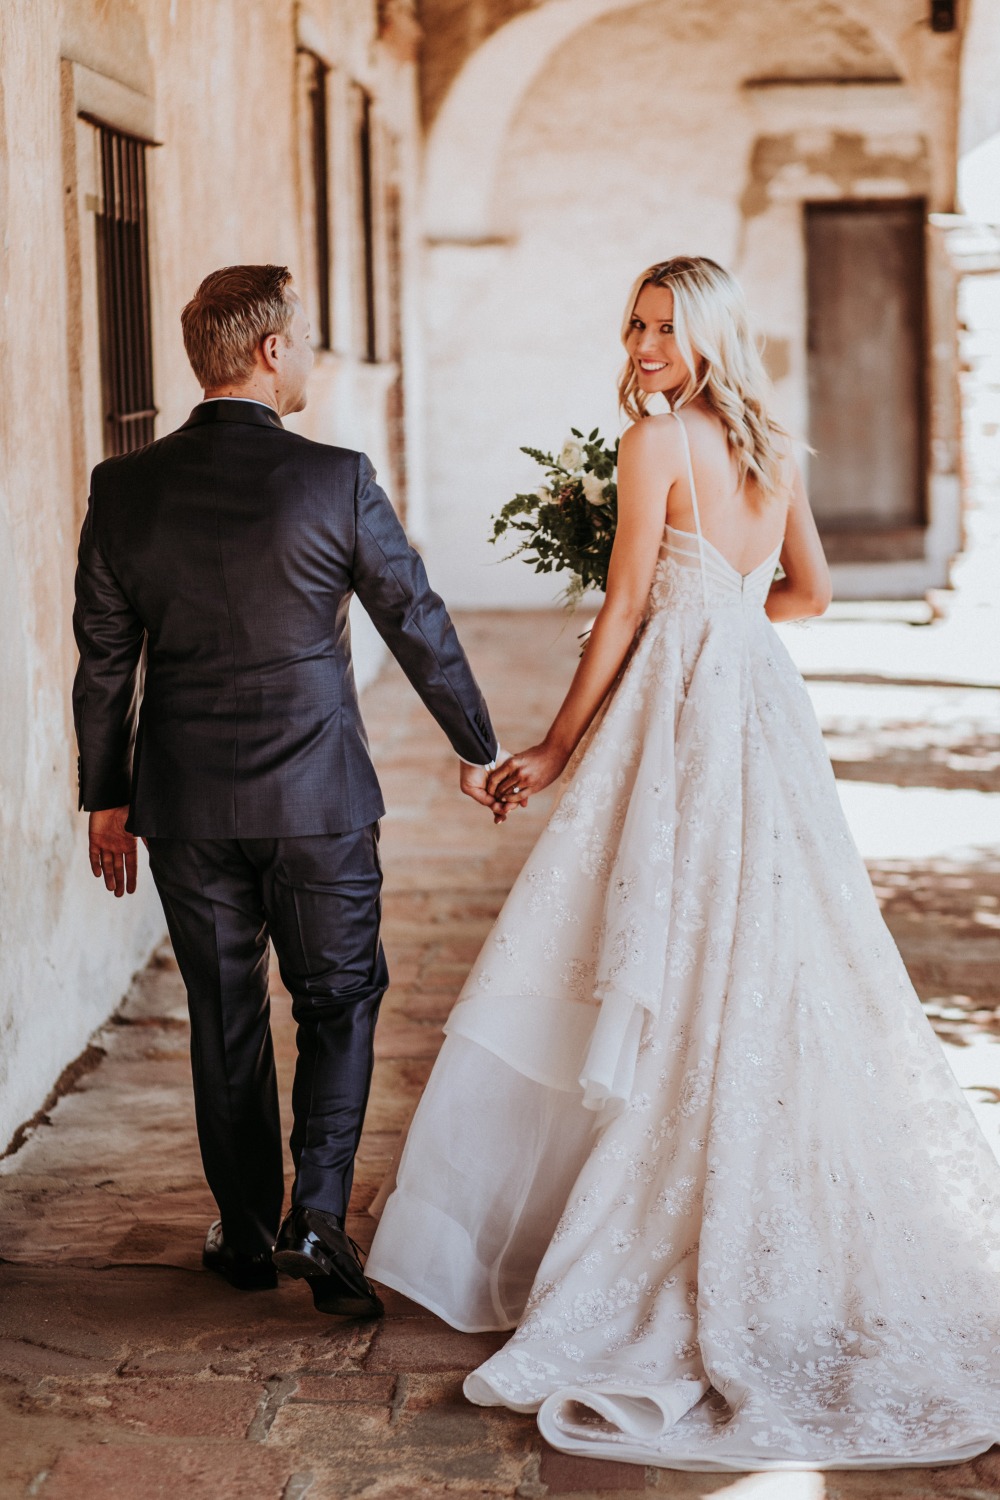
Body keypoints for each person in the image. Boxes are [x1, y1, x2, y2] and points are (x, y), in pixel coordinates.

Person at [366, 256, 1000, 1468]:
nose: (644, 343)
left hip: (682, 703)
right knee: (768, 929)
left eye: (663, 326)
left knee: (666, 925)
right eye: (636, 323)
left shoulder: (655, 445)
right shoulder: (771, 442)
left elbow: (618, 613)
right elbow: (809, 592)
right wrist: (727, 615)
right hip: (760, 700)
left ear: (705, 335)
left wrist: (556, 741)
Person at [73, 264, 504, 1320]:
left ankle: (249, 1232)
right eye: (302, 337)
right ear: (269, 353)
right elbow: (416, 618)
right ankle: (319, 1210)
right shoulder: (337, 480)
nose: (307, 354)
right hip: (319, 802)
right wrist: (477, 743)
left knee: (224, 1011)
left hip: (187, 807)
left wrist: (107, 799)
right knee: (340, 998)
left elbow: (102, 663)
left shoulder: (124, 489)